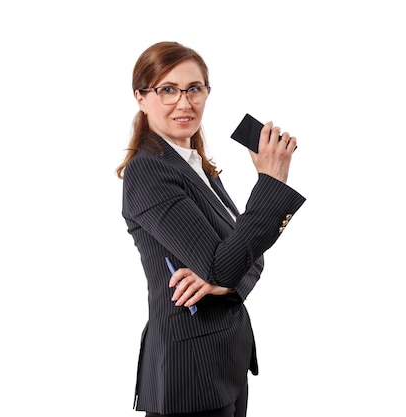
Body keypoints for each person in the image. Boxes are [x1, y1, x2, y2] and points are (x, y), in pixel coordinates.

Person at [116, 41, 306, 417]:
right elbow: (227, 262)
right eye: (167, 89)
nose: (184, 103)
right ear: (140, 97)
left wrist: (222, 280)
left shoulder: (196, 166)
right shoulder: (149, 171)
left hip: (225, 362)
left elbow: (248, 259)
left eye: (194, 89)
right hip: (190, 373)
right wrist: (270, 182)